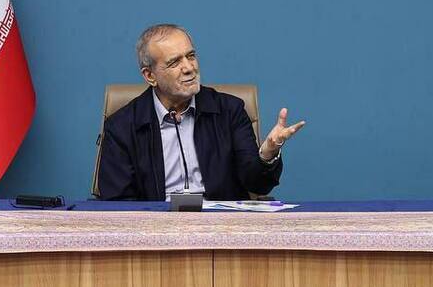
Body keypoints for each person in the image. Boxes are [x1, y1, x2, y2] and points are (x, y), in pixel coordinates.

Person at [96, 24, 305, 200]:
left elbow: (257, 184)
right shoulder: (121, 126)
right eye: (174, 62)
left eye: (191, 56)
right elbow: (118, 203)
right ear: (150, 76)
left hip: (221, 227)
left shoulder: (229, 111)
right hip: (155, 228)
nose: (189, 67)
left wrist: (267, 154)